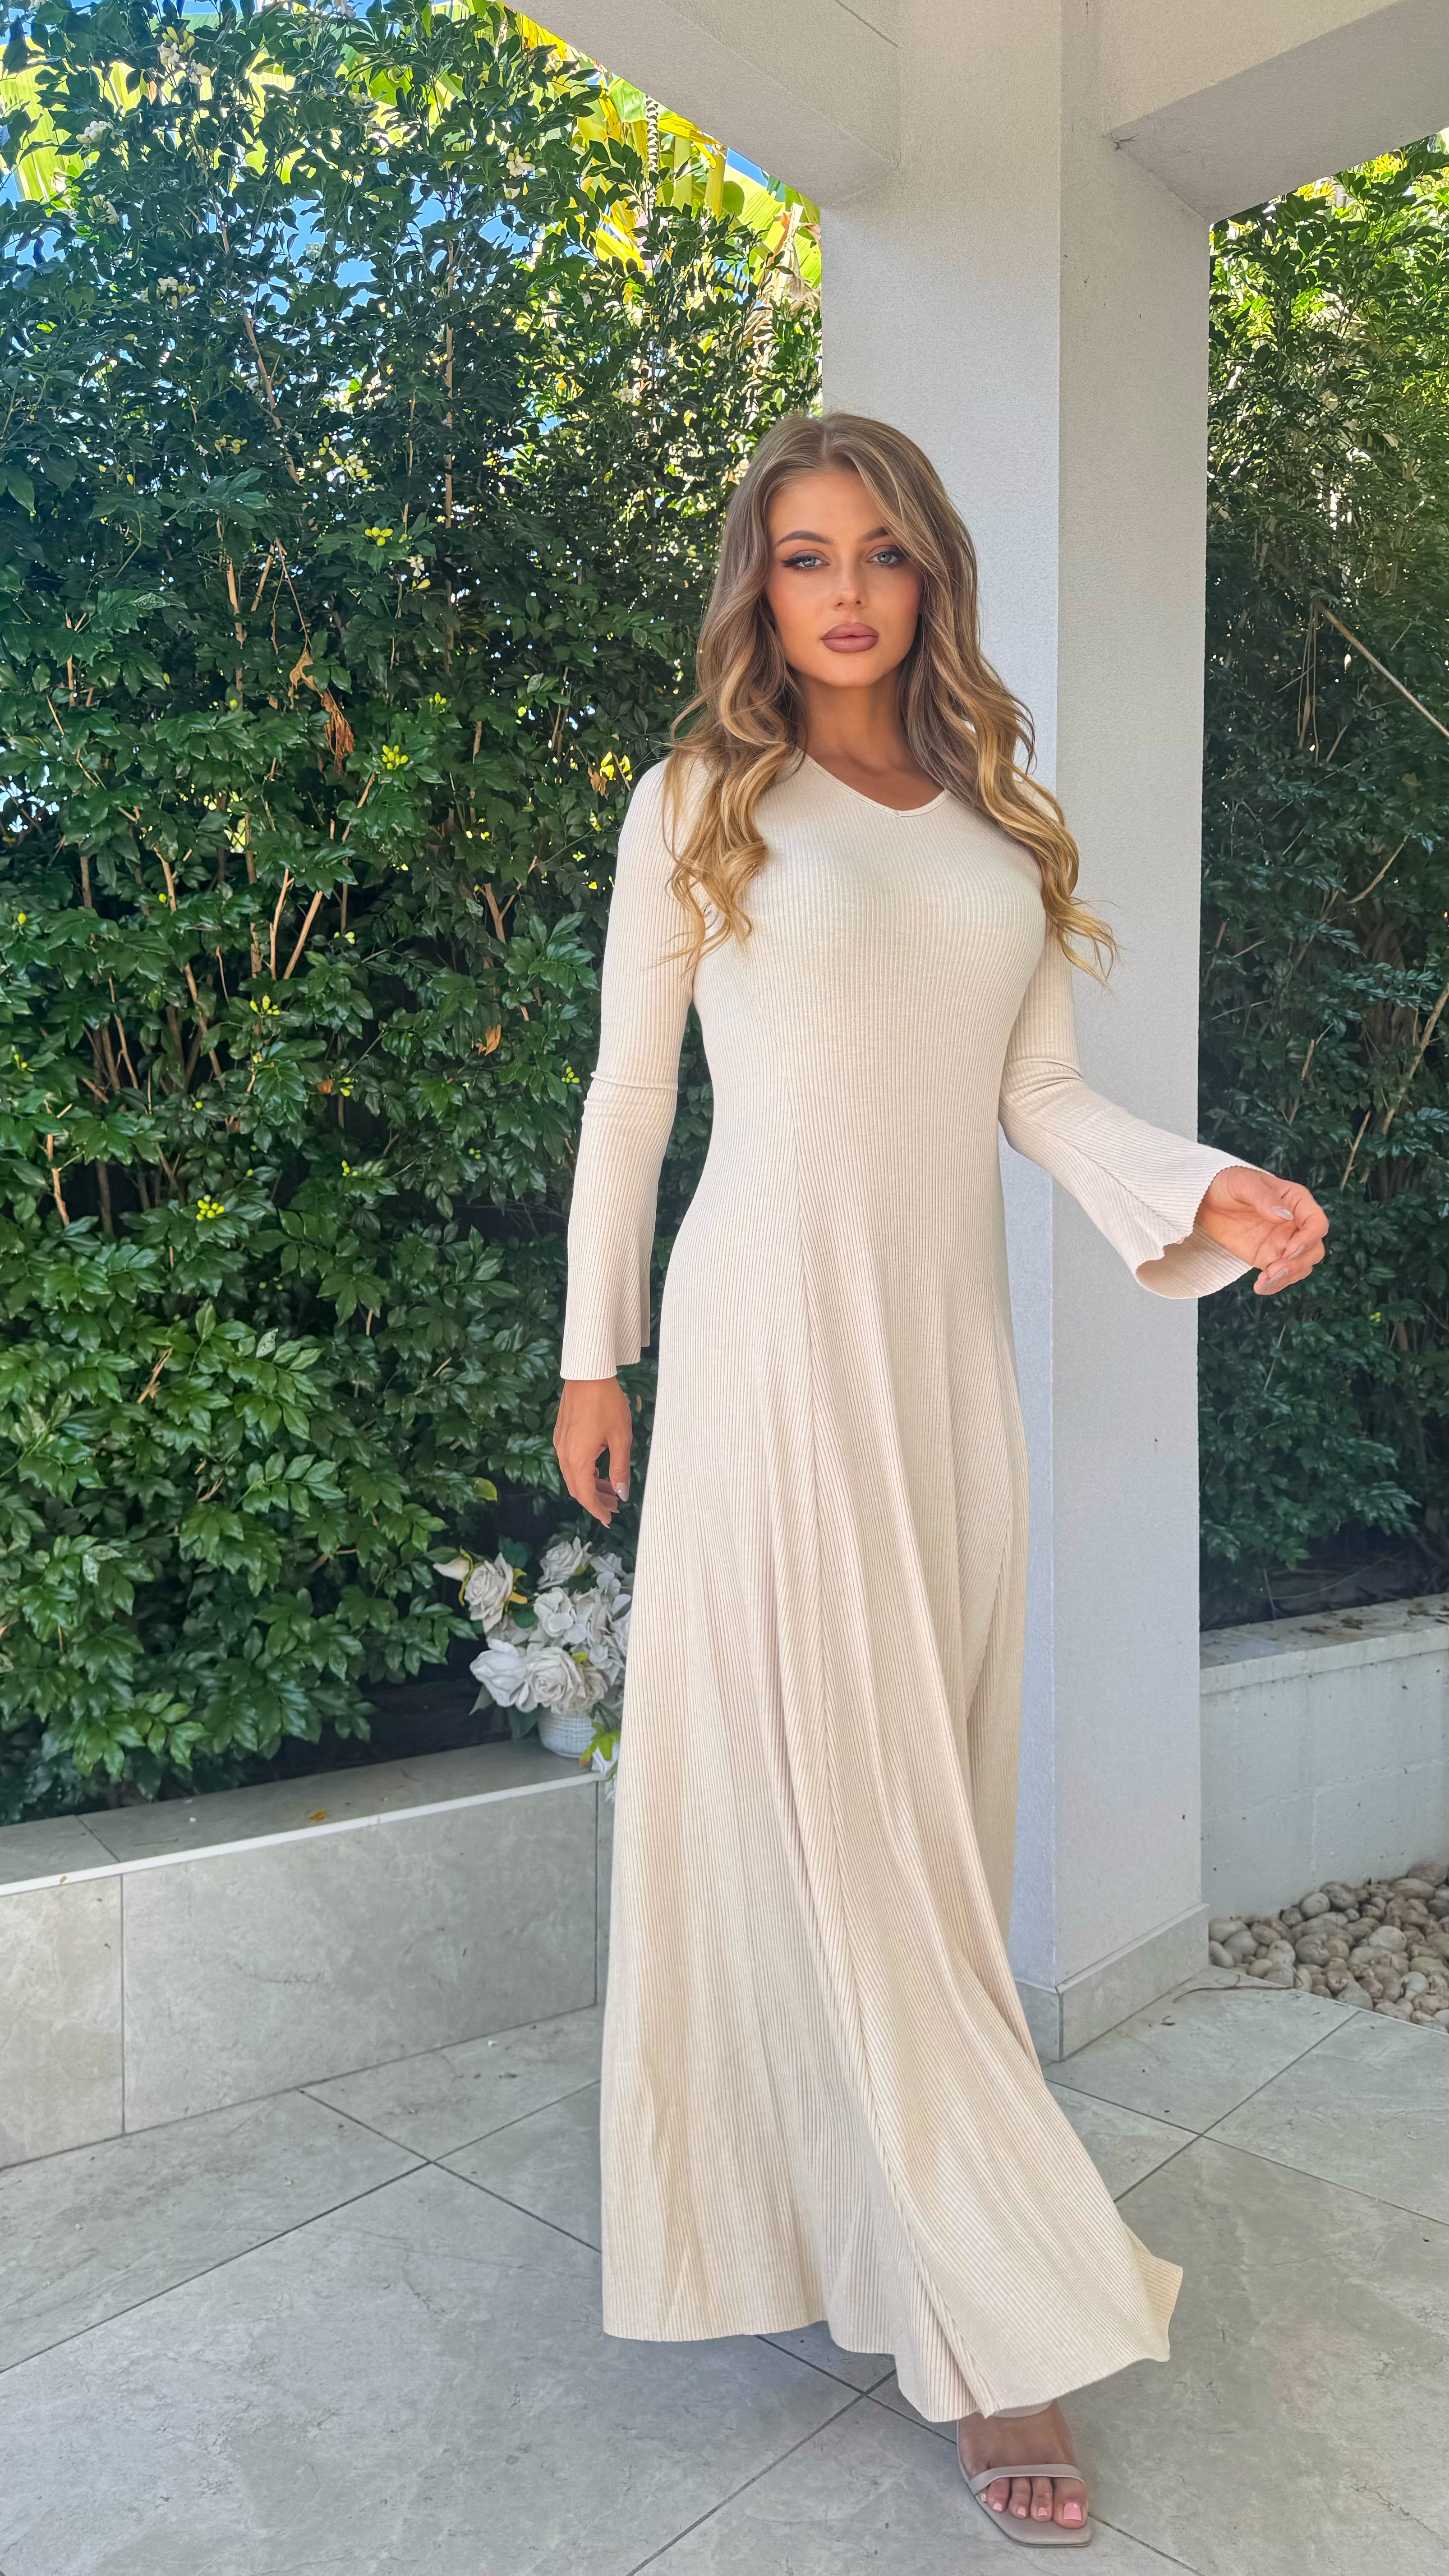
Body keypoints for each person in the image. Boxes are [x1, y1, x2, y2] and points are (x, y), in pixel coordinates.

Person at [553, 411, 1327, 2548]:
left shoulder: (999, 822)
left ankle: (883, 2225)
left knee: (923, 1827)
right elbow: (631, 1097)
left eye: (882, 553)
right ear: (761, 583)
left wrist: (1207, 1189)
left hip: (944, 1364)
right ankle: (996, 2336)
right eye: (806, 555)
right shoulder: (700, 799)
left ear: (931, 578)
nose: (846, 592)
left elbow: (1044, 1099)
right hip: (770, 1345)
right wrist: (593, 1355)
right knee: (850, 1827)